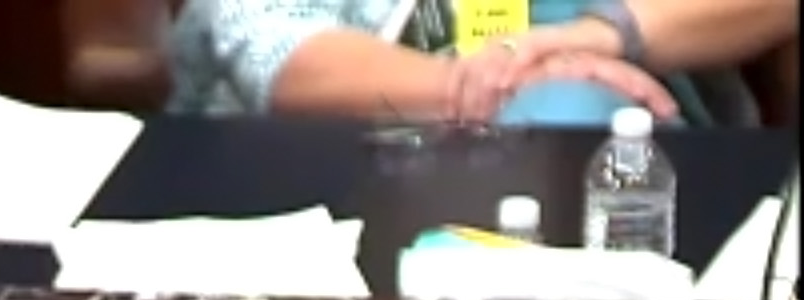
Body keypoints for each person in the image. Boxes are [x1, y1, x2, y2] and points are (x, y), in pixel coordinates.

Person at [170, 0, 782, 125]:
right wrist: (501, 80)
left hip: (645, 174)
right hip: (339, 172)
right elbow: (273, 47)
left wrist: (604, 34)